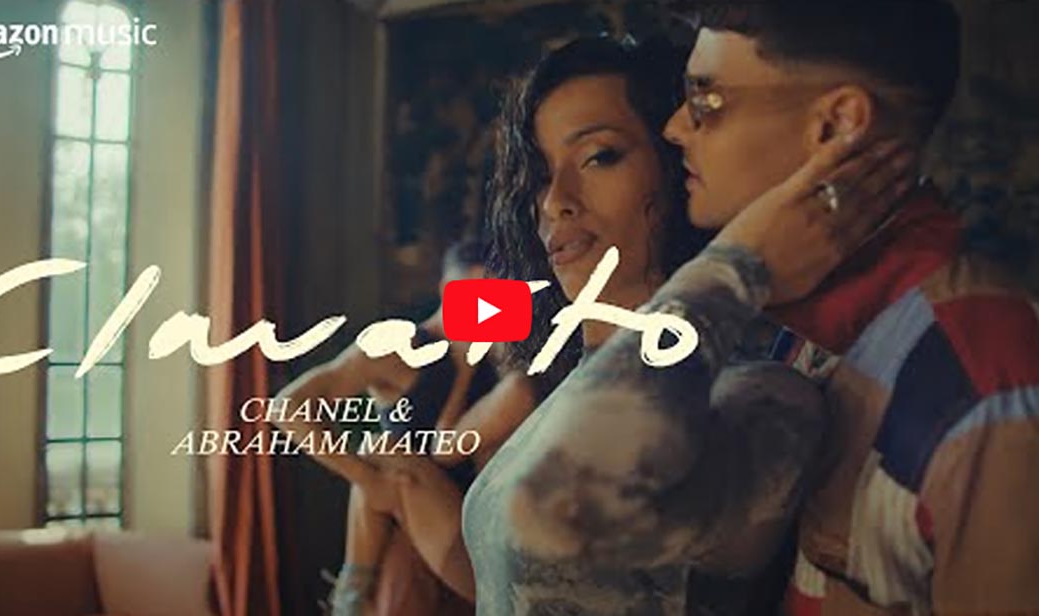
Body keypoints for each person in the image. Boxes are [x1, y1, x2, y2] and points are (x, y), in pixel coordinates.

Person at [464, 36, 914, 614]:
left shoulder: (760, 397)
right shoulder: (569, 386)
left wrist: (741, 263)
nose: (555, 201)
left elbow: (556, 504)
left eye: (600, 156)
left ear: (678, 167)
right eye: (540, 175)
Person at [657, 2, 1039, 614]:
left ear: (836, 125)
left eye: (704, 99)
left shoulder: (984, 388)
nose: (676, 127)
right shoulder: (793, 320)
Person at [270, 240, 537, 615]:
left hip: (474, 527)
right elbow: (287, 407)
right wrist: (366, 480)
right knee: (382, 454)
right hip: (405, 511)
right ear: (447, 290)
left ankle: (348, 596)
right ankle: (350, 596)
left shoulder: (503, 358)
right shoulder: (399, 348)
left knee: (384, 451)